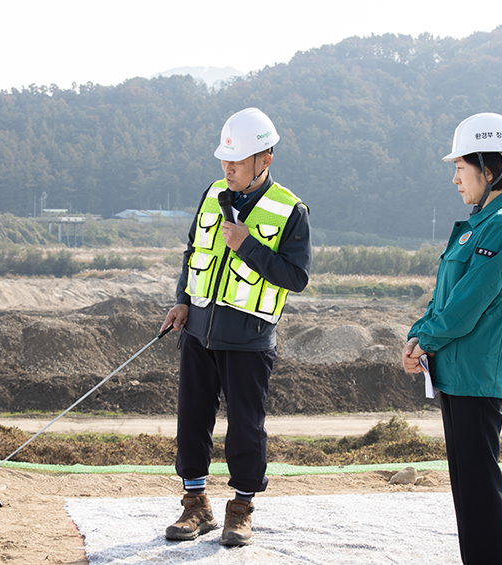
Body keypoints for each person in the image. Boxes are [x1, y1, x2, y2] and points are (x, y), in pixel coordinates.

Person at [160, 107, 311, 546]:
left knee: (245, 427)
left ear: (264, 160)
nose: (228, 168)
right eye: (225, 159)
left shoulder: (290, 210)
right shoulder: (213, 193)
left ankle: (241, 509)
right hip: (198, 330)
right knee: (191, 420)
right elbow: (194, 251)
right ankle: (195, 506)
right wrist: (183, 301)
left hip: (248, 339)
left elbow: (296, 277)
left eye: (238, 161)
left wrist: (248, 246)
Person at [402, 112, 502, 564]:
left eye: (461, 168)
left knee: (479, 490)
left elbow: (467, 305)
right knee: (467, 490)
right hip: (455, 373)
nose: (455, 179)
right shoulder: (477, 225)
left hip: (476, 375)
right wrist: (419, 334)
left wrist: (427, 339)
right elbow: (446, 297)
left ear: (488, 170)